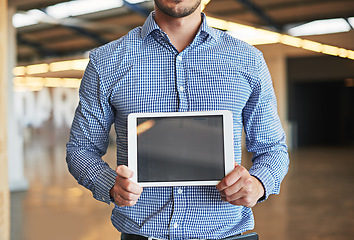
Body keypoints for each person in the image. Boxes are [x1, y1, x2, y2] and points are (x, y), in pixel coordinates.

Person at [66, 0, 289, 239]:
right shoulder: (106, 62)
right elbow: (81, 149)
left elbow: (273, 148)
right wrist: (110, 183)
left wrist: (258, 183)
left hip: (226, 233)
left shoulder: (248, 60)